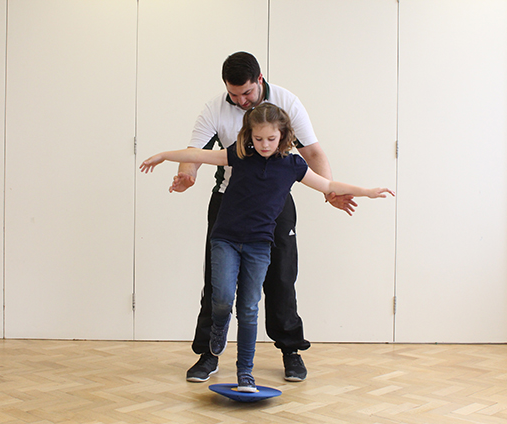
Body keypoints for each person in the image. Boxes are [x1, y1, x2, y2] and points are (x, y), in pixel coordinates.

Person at [140, 103, 393, 392]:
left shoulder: (293, 165)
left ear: (283, 135)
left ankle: (245, 373)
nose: (264, 145)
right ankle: (219, 326)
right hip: (226, 239)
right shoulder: (239, 155)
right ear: (249, 135)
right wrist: (163, 155)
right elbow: (197, 154)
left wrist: (367, 191)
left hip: (260, 245)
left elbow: (328, 184)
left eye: (271, 139)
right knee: (221, 297)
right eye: (258, 139)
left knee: (249, 308)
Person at [172, 52, 357, 383]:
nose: (241, 100)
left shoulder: (286, 101)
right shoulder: (214, 108)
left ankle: (290, 351)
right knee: (218, 284)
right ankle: (208, 354)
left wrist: (329, 192)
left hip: (274, 204)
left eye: (246, 93)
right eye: (234, 94)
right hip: (228, 204)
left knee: (281, 278)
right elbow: (195, 152)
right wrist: (187, 174)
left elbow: (312, 152)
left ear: (259, 80)